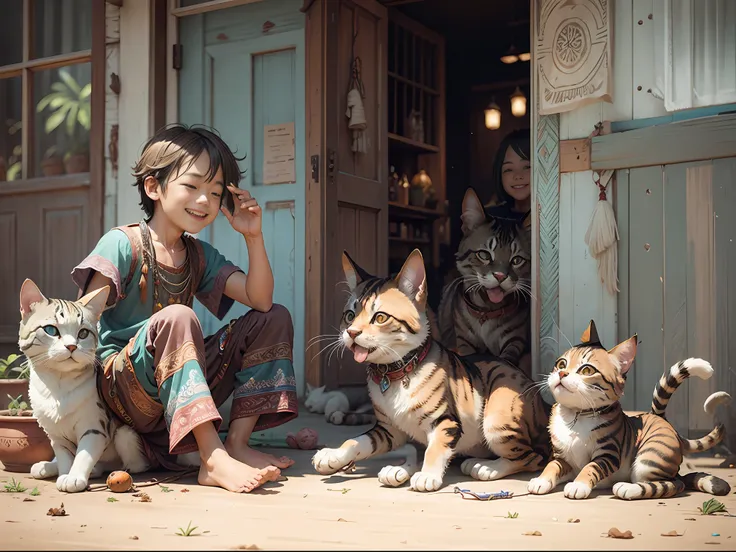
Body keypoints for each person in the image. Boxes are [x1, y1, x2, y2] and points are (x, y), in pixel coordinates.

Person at [71, 124, 298, 493]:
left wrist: (253, 236)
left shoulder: (198, 255)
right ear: (153, 187)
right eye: (191, 186)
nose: (204, 201)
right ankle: (212, 458)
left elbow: (261, 300)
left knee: (274, 318)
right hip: (127, 391)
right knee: (178, 316)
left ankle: (237, 444)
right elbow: (82, 317)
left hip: (178, 384)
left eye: (215, 191)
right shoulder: (122, 243)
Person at [484, 128, 531, 230]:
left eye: (527, 167)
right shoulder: (491, 218)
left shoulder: (552, 216)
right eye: (509, 169)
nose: (518, 176)